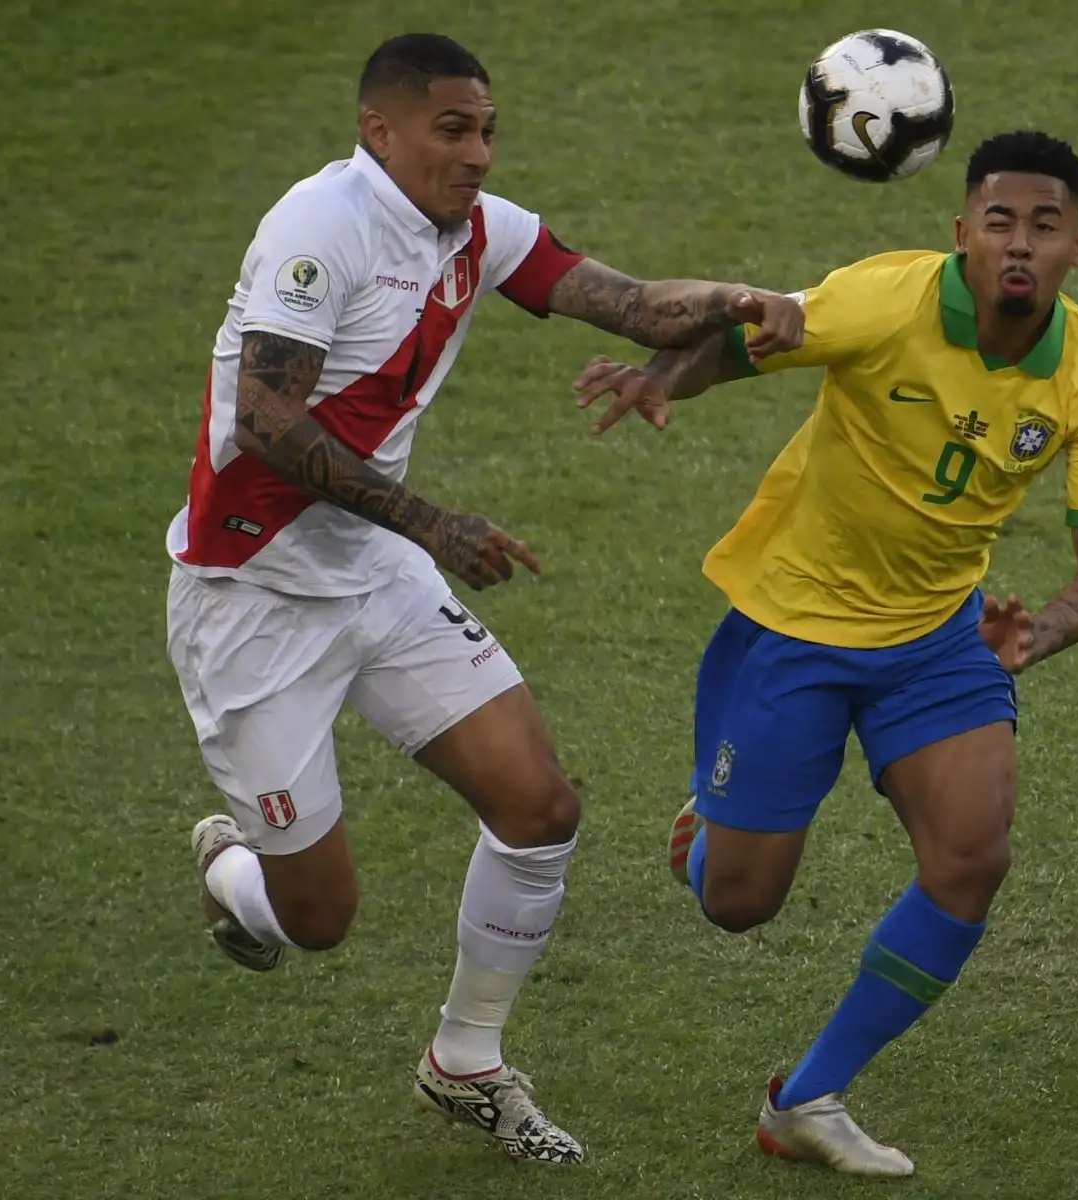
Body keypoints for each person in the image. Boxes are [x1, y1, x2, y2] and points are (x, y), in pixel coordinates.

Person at [163, 32, 802, 1166]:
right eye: (453, 129)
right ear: (382, 131)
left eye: (489, 129)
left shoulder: (482, 231)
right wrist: (436, 526)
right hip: (253, 597)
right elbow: (264, 419)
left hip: (376, 572)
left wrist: (757, 299)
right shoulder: (321, 230)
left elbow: (641, 306)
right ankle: (232, 866)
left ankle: (467, 1063)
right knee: (319, 920)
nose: (478, 152)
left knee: (540, 804)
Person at [571, 130, 1078, 1177]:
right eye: (1001, 221)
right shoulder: (888, 299)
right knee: (738, 904)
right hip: (797, 624)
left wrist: (1041, 630)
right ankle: (707, 835)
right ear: (961, 231)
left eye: (1045, 225)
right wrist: (667, 376)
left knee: (973, 857)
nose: (1020, 243)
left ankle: (809, 1096)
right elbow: (753, 341)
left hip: (938, 638)